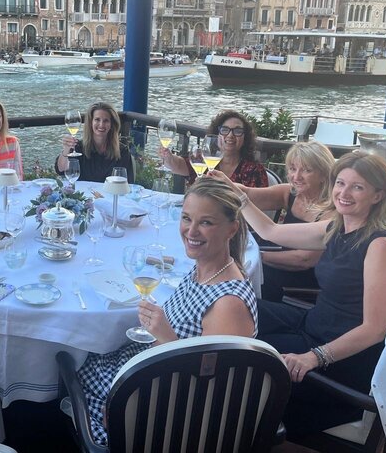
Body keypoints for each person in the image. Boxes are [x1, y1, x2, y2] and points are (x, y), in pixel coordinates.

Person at [212, 151, 386, 436]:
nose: (344, 193)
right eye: (340, 183)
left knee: (240, 356)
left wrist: (314, 357)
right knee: (233, 304)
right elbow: (271, 230)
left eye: (357, 186)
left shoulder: (380, 246)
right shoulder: (338, 227)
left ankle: (239, 425)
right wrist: (236, 194)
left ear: (378, 195)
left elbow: (374, 330)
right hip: (314, 325)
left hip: (339, 361)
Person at [75, 180, 257, 446]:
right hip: (145, 376)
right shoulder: (204, 268)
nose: (191, 230)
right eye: (186, 218)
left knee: (70, 367)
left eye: (206, 222)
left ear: (232, 228)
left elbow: (212, 394)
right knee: (81, 352)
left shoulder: (228, 304)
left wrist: (165, 337)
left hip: (161, 413)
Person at [232, 142, 336, 302]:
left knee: (248, 276)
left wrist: (259, 257)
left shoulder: (332, 210)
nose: (296, 177)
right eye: (293, 169)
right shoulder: (290, 193)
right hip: (282, 262)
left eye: (307, 170)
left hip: (308, 278)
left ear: (324, 174)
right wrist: (223, 183)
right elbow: (248, 194)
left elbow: (304, 259)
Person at [161, 110, 268, 188]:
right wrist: (168, 157)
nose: (230, 135)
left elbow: (257, 206)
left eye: (237, 131)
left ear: (245, 138)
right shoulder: (205, 159)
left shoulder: (254, 170)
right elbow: (179, 165)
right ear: (217, 135)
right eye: (225, 130)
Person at [54, 102, 134, 183]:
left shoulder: (122, 151)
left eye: (106, 121)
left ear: (112, 124)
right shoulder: (79, 148)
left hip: (111, 194)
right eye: (97, 119)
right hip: (83, 194)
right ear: (90, 122)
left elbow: (126, 182)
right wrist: (66, 149)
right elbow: (61, 169)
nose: (101, 124)